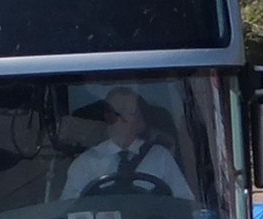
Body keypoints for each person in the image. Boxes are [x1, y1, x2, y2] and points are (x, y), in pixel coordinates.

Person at [60, 86, 194, 200]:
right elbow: (69, 211)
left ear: (139, 120)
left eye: (130, 112)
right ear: (107, 117)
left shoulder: (160, 157)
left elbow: (184, 204)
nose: (123, 118)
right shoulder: (86, 163)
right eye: (118, 112)